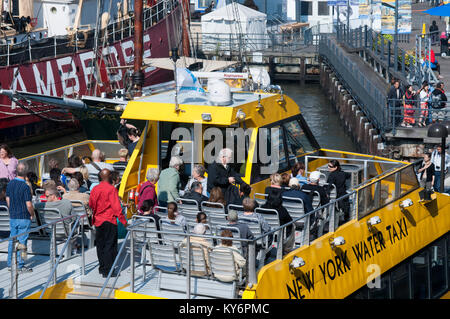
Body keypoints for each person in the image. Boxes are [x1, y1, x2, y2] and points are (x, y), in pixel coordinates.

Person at [89, 169, 127, 277]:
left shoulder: (95, 189)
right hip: (109, 220)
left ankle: (102, 267)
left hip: (98, 220)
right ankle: (108, 270)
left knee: (100, 245)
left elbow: (91, 204)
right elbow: (116, 208)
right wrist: (124, 222)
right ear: (109, 176)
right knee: (110, 245)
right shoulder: (111, 189)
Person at [6, 162, 35, 272]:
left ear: (16, 171)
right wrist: (32, 214)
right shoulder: (25, 187)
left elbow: (8, 200)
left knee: (12, 241)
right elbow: (29, 205)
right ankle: (20, 265)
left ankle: (10, 263)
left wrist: (12, 210)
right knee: (23, 243)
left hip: (13, 216)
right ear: (26, 172)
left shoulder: (10, 184)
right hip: (24, 217)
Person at [261, 187, 294, 254]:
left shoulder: (262, 208)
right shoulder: (282, 210)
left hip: (265, 232)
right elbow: (290, 221)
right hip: (278, 231)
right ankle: (287, 248)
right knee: (293, 226)